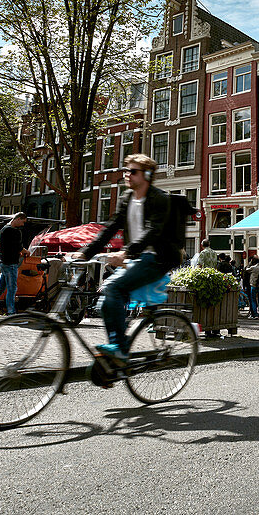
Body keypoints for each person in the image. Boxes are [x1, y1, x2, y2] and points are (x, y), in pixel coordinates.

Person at [77, 154, 194, 363]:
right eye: (126, 170)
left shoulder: (160, 199)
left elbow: (153, 230)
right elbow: (110, 227)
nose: (127, 175)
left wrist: (126, 251)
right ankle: (118, 347)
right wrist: (86, 252)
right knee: (107, 298)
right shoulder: (126, 199)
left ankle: (119, 348)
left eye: (133, 171)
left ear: (147, 175)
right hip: (139, 257)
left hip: (159, 258)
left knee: (115, 288)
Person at [0, 212, 29, 322]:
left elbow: (7, 247)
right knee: (12, 289)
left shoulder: (4, 229)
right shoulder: (14, 231)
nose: (23, 225)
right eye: (23, 222)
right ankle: (11, 315)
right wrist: (26, 251)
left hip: (4, 263)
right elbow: (19, 247)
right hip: (11, 264)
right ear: (18, 219)